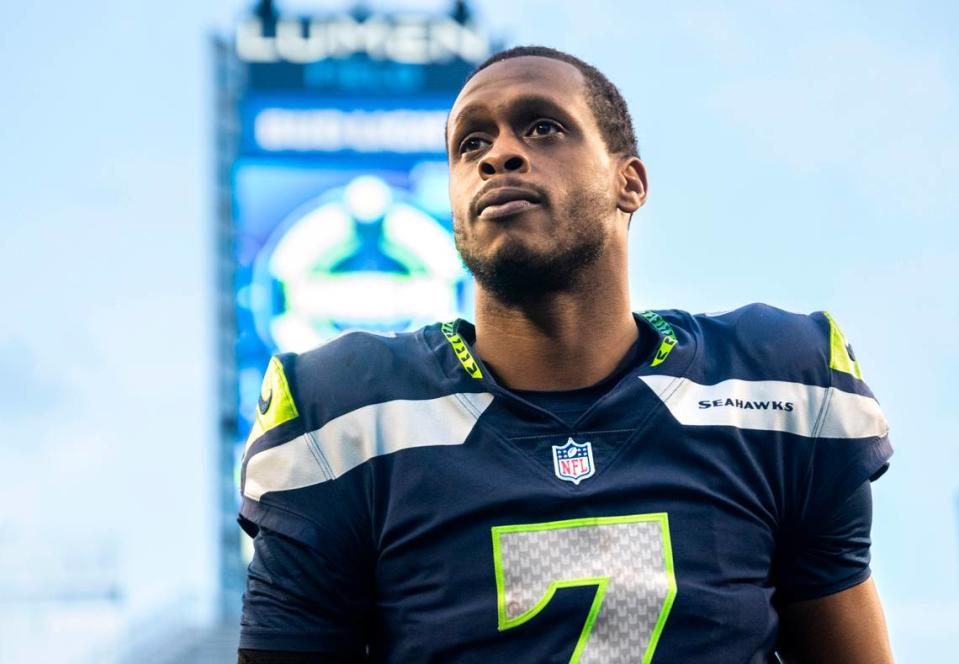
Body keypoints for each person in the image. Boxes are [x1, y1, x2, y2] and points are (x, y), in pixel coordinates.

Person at [237, 46, 894, 663]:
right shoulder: (345, 416)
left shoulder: (775, 386)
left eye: (542, 128)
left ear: (628, 181)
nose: (498, 156)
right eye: (472, 144)